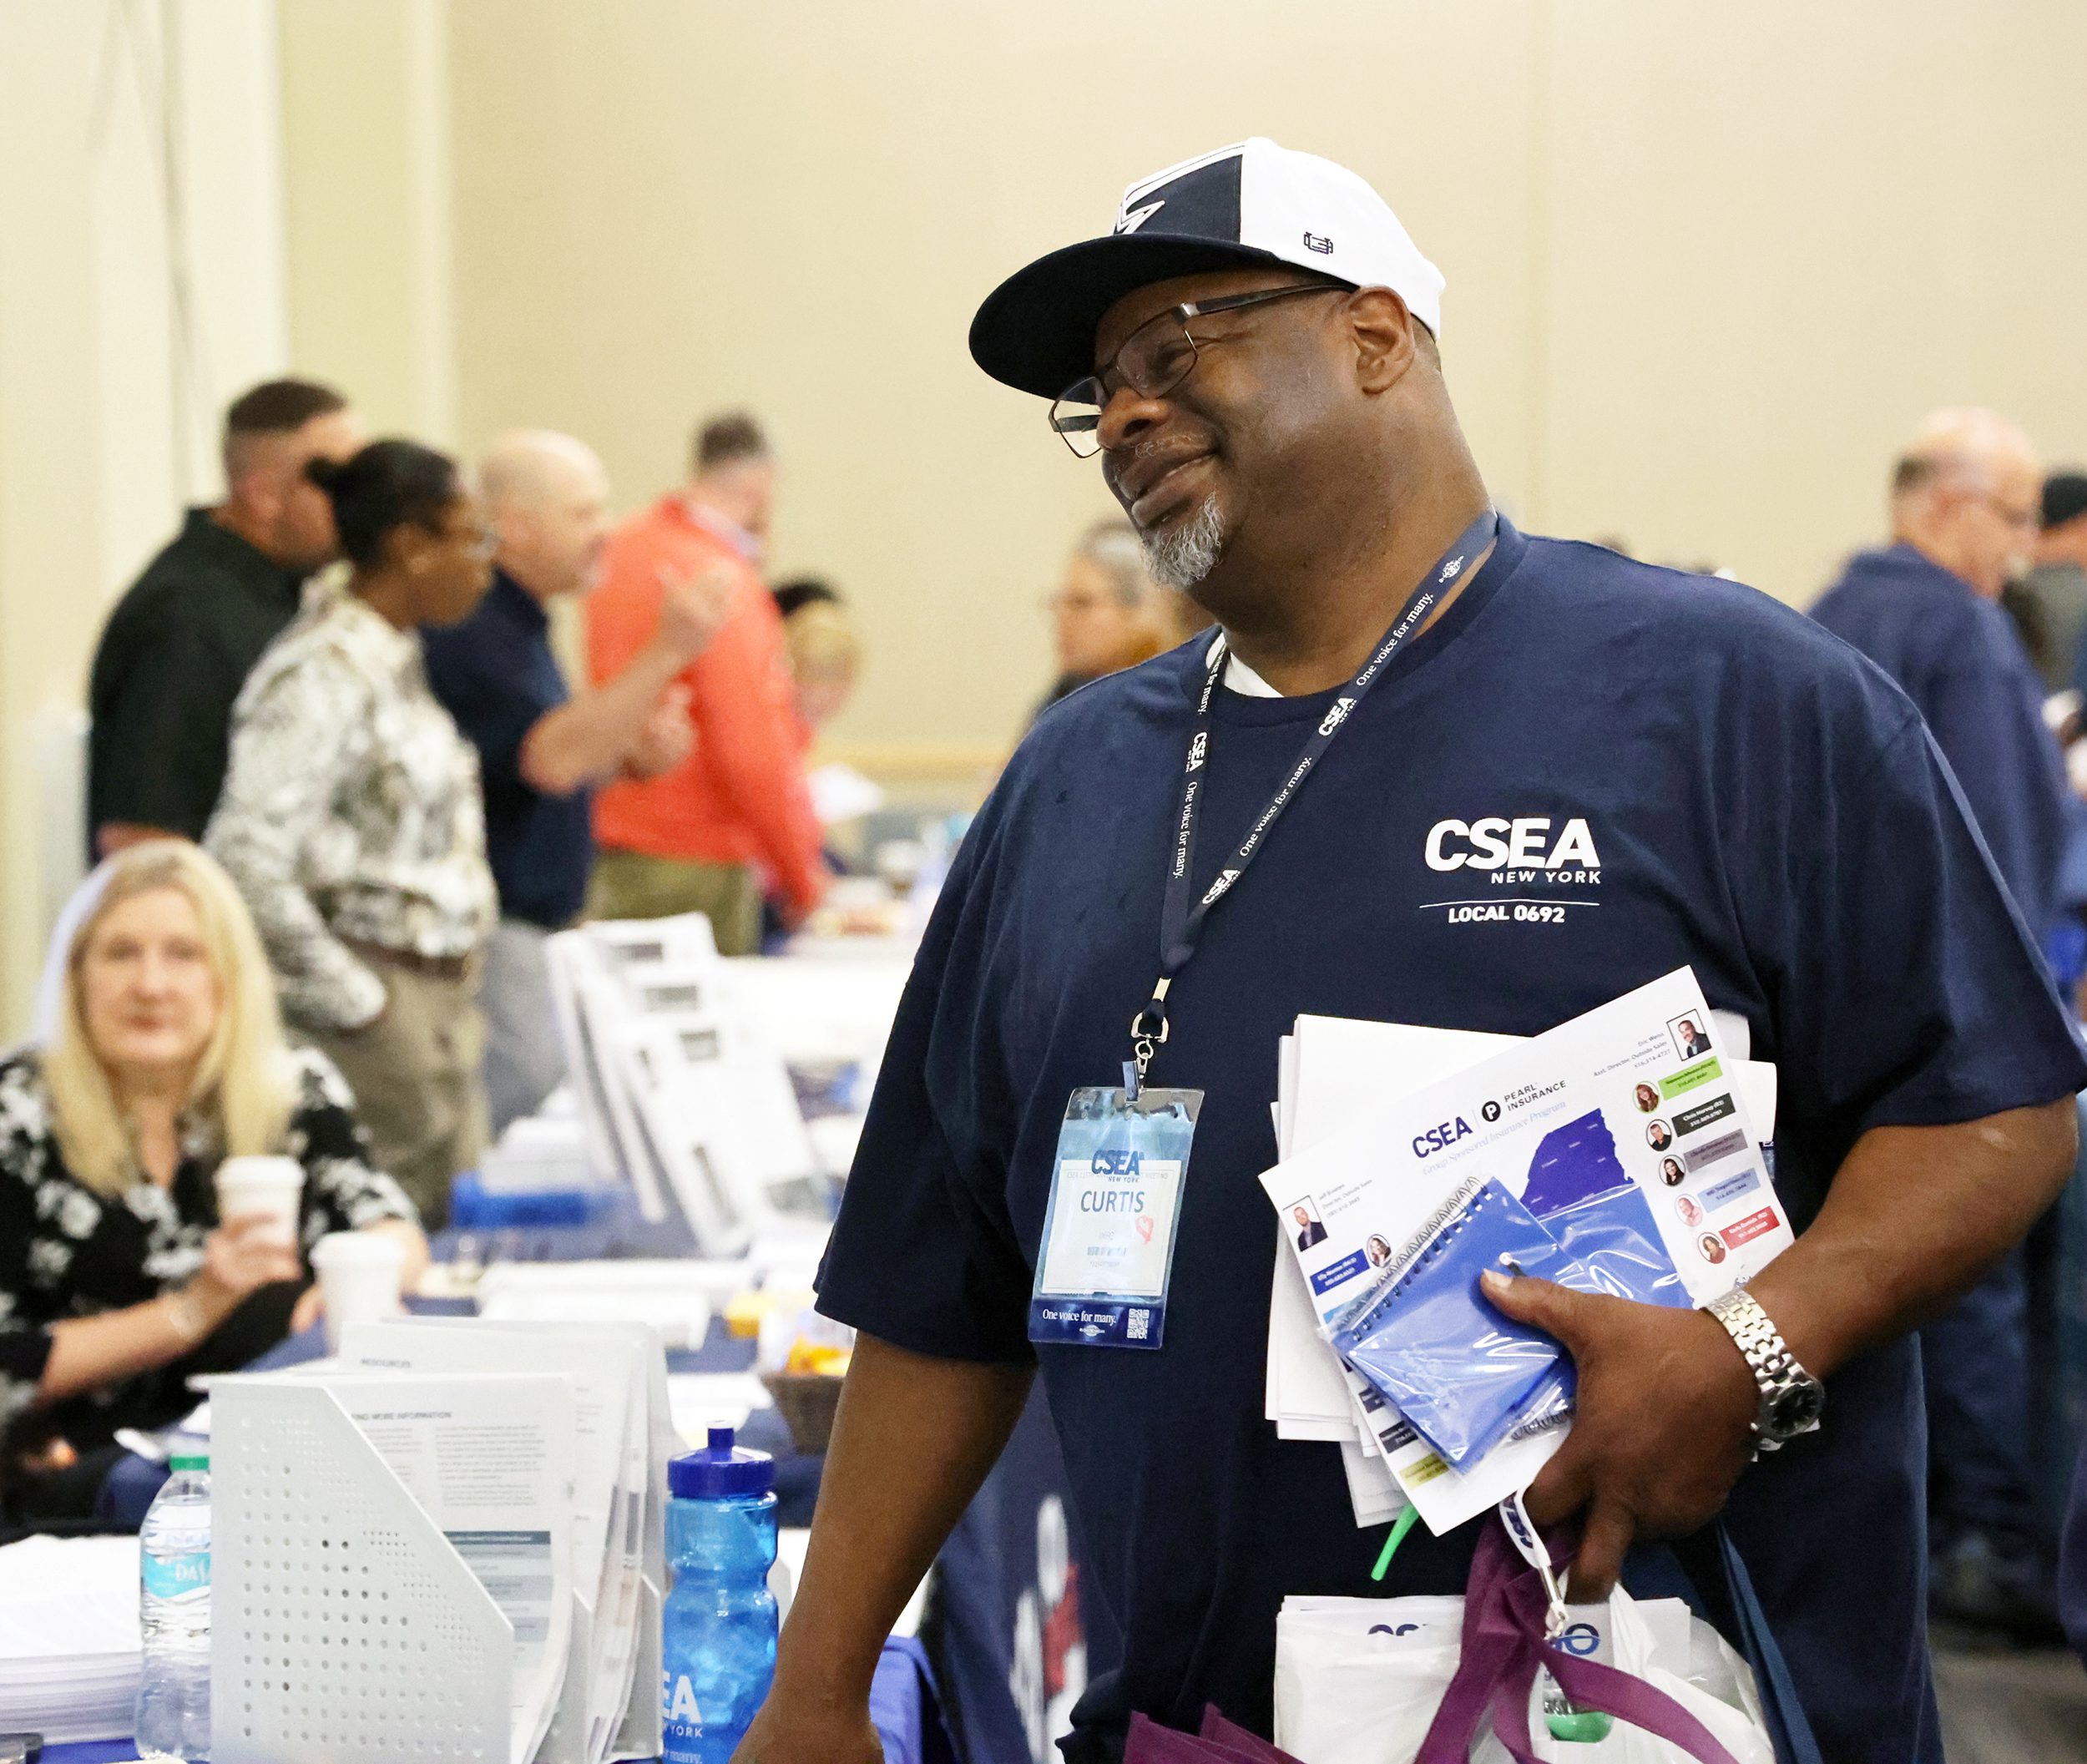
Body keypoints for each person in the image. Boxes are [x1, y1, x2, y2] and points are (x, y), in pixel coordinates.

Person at [749, 139, 2085, 1764]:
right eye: (1097, 389)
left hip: (1655, 1699)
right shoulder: (1071, 780)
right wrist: (817, 1688)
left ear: (1376, 337)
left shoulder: (1729, 700)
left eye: (1176, 351)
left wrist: (1749, 1348)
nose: (1120, 416)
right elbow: (937, 1276)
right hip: (1190, 1721)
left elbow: (1994, 1108)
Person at [1810, 408, 2074, 1637]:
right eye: (2016, 518)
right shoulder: (1962, 635)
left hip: (1826, 1048)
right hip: (1954, 1051)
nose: (2025, 551)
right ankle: (1988, 1541)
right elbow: (2003, 865)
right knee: (1976, 1289)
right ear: (1948, 503)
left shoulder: (1816, 625)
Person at [0, 842, 423, 1523]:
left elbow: (390, 1224)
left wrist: (350, 1290)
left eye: (184, 954)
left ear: (229, 977)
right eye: (120, 954)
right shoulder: (17, 1114)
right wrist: (193, 1310)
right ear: (76, 975)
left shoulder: (290, 1089)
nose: (152, 985)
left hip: (260, 1455)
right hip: (72, 1468)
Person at [206, 441, 498, 1226]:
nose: (485, 563)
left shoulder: (391, 657)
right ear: (410, 546)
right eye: (471, 538)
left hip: (431, 996)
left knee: (442, 1244)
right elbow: (241, 854)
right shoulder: (323, 670)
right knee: (386, 1251)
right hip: (372, 1003)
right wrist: (359, 1002)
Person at [422, 432, 728, 1135]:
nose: (606, 531)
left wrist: (626, 756)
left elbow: (524, 757)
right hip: (500, 922)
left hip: (535, 918)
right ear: (518, 527)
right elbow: (550, 761)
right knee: (516, 1088)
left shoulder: (519, 619)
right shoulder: (475, 621)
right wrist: (670, 647)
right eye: (585, 513)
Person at [87, 379, 365, 858]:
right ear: (262, 496)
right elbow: (143, 838)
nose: (361, 503)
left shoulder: (282, 597)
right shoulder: (190, 619)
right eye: (336, 481)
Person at [584, 413, 826, 953]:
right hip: (697, 861)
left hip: (613, 840)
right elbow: (750, 747)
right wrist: (801, 872)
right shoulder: (720, 578)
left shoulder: (622, 549)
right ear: (759, 484)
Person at [1036, 518, 1167, 716]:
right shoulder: (1064, 695)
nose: (1063, 619)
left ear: (1139, 609)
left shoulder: (1165, 700)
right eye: (1060, 604)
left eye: (1081, 603)